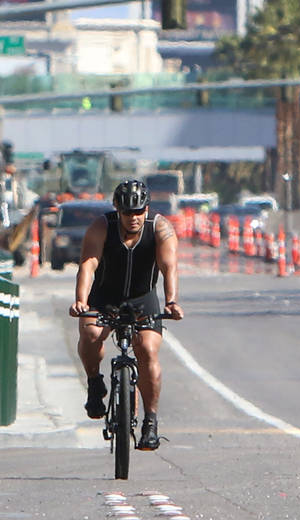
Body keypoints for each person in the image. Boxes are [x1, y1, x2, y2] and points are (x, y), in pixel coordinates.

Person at [68, 179, 184, 451]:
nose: (133, 218)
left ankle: (150, 422)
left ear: (147, 209)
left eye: (139, 212)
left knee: (146, 349)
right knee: (91, 332)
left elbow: (169, 266)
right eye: (127, 212)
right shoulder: (101, 227)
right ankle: (95, 383)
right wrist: (80, 301)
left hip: (142, 299)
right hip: (105, 296)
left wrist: (172, 301)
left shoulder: (160, 228)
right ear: (117, 210)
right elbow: (88, 266)